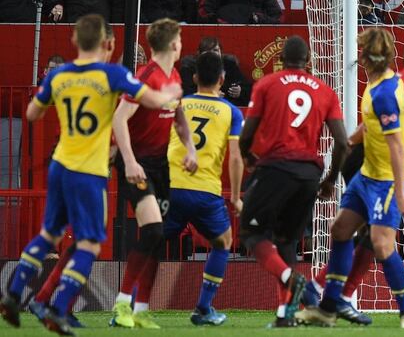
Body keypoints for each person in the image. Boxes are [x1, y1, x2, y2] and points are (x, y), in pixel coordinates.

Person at [0, 14, 182, 336]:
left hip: (60, 165)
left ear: (74, 42)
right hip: (91, 170)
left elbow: (31, 113)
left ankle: (15, 294)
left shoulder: (60, 75)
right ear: (109, 45)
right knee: (90, 244)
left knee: (49, 235)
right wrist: (169, 97)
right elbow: (149, 100)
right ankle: (59, 307)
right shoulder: (114, 74)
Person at [302, 37, 404, 325]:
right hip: (368, 172)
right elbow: (370, 126)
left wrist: (402, 193)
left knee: (381, 244)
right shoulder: (377, 86)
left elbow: (397, 143)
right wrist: (347, 144)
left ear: (367, 59)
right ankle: (329, 302)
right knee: (341, 229)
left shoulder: (387, 91)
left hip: (389, 179)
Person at [238, 36, 348, 328]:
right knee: (287, 242)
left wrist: (246, 154)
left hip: (276, 168)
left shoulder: (267, 84)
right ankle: (285, 315)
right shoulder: (325, 92)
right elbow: (342, 142)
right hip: (309, 176)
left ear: (282, 60)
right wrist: (329, 181)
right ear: (309, 61)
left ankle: (292, 278)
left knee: (250, 232)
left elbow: (248, 130)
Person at [110, 18, 198, 329]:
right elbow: (119, 120)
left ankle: (142, 309)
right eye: (181, 39)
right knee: (152, 230)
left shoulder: (173, 75)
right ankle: (122, 306)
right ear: (173, 44)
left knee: (158, 236)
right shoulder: (145, 78)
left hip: (159, 164)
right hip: (138, 162)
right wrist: (130, 162)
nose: (182, 44)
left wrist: (190, 148)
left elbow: (179, 115)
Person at [162, 51, 244, 325]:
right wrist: (234, 196)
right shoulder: (231, 111)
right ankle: (203, 307)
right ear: (222, 79)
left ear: (195, 77)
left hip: (173, 187)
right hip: (206, 191)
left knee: (151, 243)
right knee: (223, 243)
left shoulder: (179, 103)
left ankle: (128, 303)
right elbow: (235, 156)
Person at [179, 37, 251, 107]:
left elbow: (247, 88)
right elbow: (186, 93)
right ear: (199, 54)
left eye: (215, 50)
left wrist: (240, 91)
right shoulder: (190, 68)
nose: (212, 54)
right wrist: (210, 96)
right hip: (200, 107)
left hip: (227, 106)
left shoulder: (230, 65)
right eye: (208, 51)